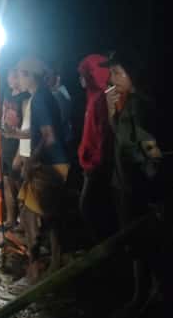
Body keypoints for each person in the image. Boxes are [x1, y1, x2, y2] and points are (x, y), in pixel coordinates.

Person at [104, 50, 162, 316]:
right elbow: (121, 138)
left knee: (144, 242)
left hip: (136, 187)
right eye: (111, 72)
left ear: (132, 74)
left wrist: (153, 182)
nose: (112, 77)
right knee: (136, 243)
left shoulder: (141, 105)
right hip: (124, 183)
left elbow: (150, 150)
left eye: (117, 72)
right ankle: (142, 295)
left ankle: (150, 298)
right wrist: (111, 111)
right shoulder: (126, 102)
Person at [6, 57, 69, 281]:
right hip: (52, 162)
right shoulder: (41, 97)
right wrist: (13, 135)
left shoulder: (40, 99)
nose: (16, 79)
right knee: (46, 214)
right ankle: (53, 261)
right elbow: (40, 133)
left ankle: (40, 265)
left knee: (32, 213)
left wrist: (32, 160)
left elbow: (49, 137)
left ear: (30, 76)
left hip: (51, 164)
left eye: (20, 74)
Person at [77, 53, 113, 241]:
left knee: (89, 208)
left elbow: (103, 135)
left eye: (83, 74)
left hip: (96, 166)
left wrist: (95, 163)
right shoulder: (92, 97)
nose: (80, 79)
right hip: (89, 163)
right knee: (89, 208)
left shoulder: (101, 99)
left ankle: (100, 251)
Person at [0, 66, 30, 227]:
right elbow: (1, 118)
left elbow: (26, 125)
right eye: (9, 76)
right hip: (5, 142)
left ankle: (24, 223)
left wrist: (19, 154)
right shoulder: (7, 95)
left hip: (17, 144)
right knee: (6, 182)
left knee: (19, 184)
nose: (10, 79)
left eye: (13, 76)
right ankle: (10, 219)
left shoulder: (25, 97)